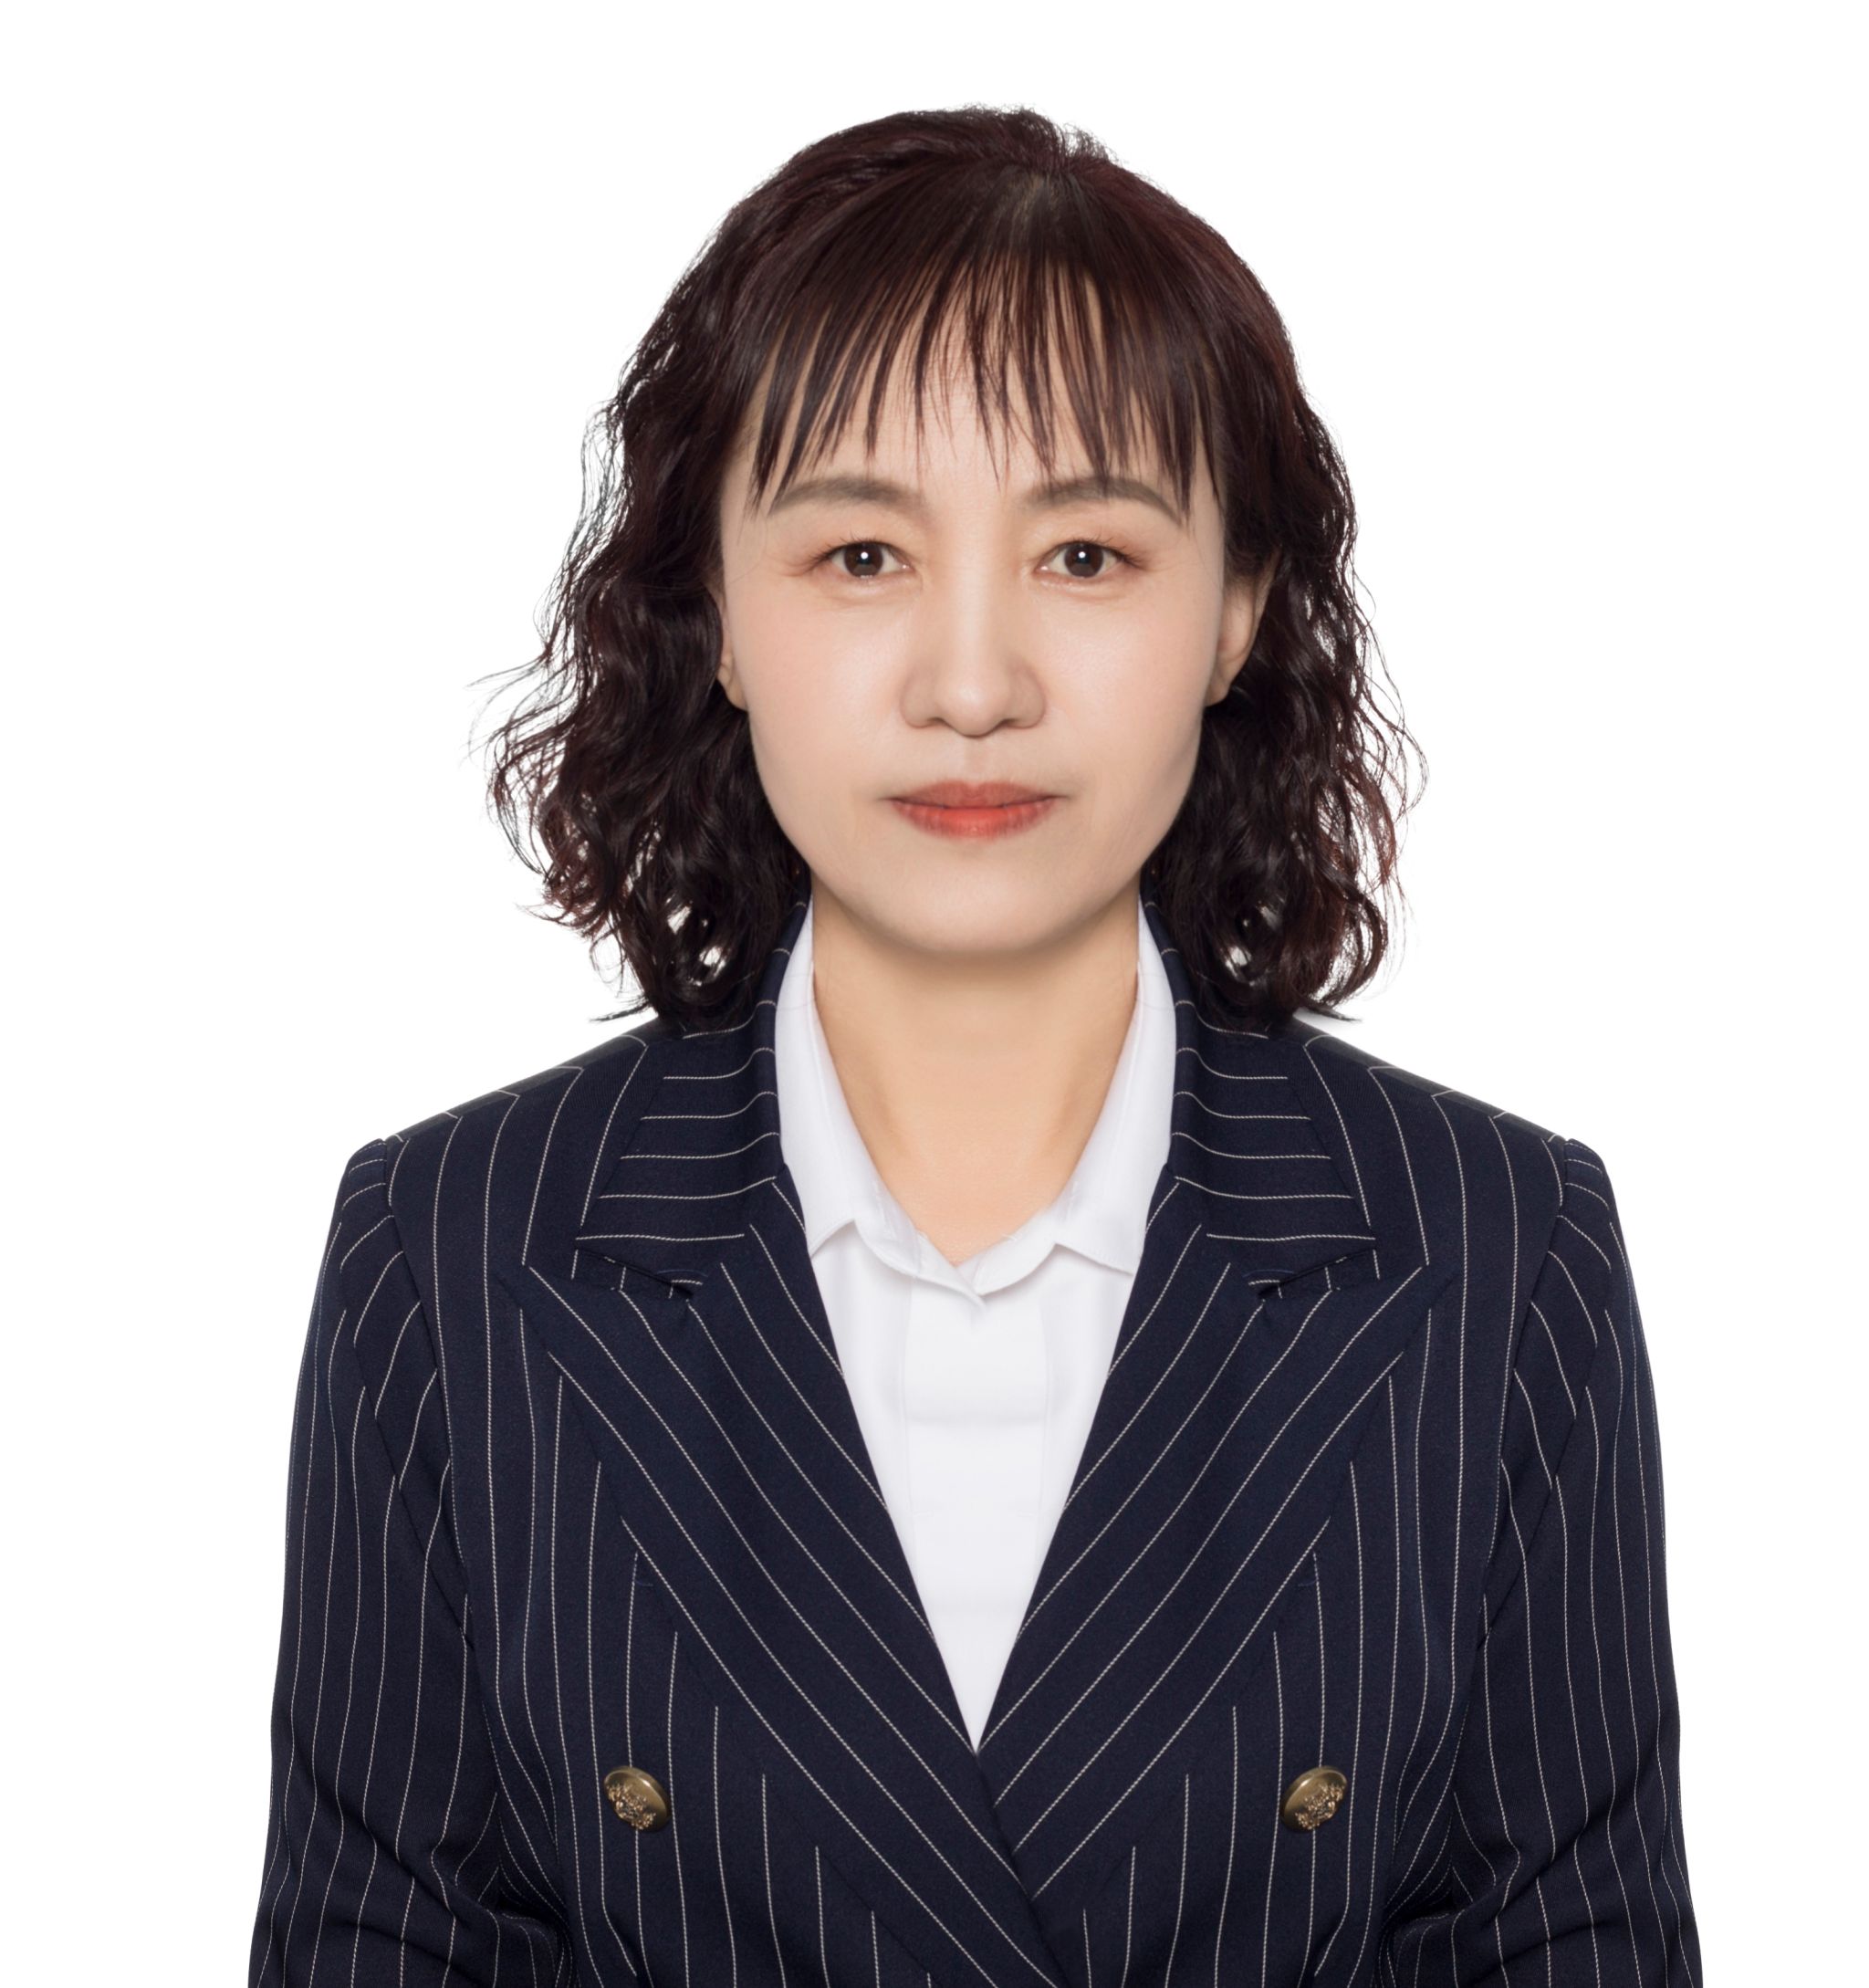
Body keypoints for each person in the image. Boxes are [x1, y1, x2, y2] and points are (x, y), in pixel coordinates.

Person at [250, 105, 1700, 1986]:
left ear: (1236, 612)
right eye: (861, 554)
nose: (970, 684)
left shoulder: (1500, 1254)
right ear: (716, 615)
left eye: (1085, 555)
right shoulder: (450, 1254)